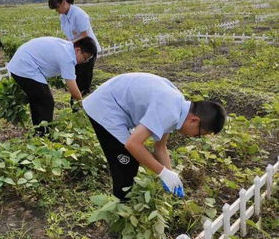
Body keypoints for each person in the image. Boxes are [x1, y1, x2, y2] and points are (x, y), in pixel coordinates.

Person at [82, 72, 227, 201]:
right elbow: (133, 144)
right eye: (199, 134)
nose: (195, 137)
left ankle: (125, 204)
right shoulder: (169, 110)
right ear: (194, 120)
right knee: (127, 162)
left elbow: (160, 147)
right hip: (104, 106)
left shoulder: (178, 107)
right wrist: (162, 173)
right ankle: (121, 210)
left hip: (116, 104)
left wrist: (171, 176)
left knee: (132, 159)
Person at [7, 36, 97, 135]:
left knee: (38, 100)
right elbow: (73, 88)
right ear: (78, 50)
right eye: (85, 58)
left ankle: (39, 132)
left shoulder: (67, 47)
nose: (85, 62)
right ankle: (44, 135)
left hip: (22, 63)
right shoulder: (68, 58)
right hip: (25, 67)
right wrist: (83, 105)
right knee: (46, 101)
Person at [48, 0, 101, 97]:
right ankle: (76, 105)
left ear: (64, 2)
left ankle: (83, 105)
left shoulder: (79, 15)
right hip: (75, 51)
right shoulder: (63, 16)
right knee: (75, 80)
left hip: (86, 50)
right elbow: (69, 35)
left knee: (83, 82)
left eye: (57, 7)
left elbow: (85, 36)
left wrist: (69, 44)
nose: (57, 11)